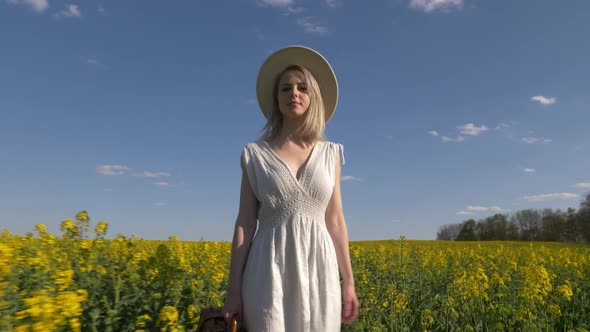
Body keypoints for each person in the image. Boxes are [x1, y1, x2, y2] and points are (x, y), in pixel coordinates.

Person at [222, 45, 359, 331]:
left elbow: (335, 220)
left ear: (313, 97)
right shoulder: (254, 154)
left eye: (302, 88)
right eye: (285, 88)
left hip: (320, 269)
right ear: (277, 98)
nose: (293, 93)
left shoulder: (330, 154)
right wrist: (233, 291)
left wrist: (349, 282)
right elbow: (245, 223)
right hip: (267, 270)